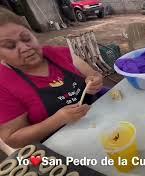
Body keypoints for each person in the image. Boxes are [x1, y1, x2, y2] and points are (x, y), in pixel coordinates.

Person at [0, 7, 105, 148]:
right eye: (10, 46)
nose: (25, 48)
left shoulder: (59, 54)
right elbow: (13, 139)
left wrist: (94, 81)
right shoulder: (4, 83)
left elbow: (94, 75)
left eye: (26, 38)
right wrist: (58, 120)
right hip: (64, 147)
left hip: (101, 122)